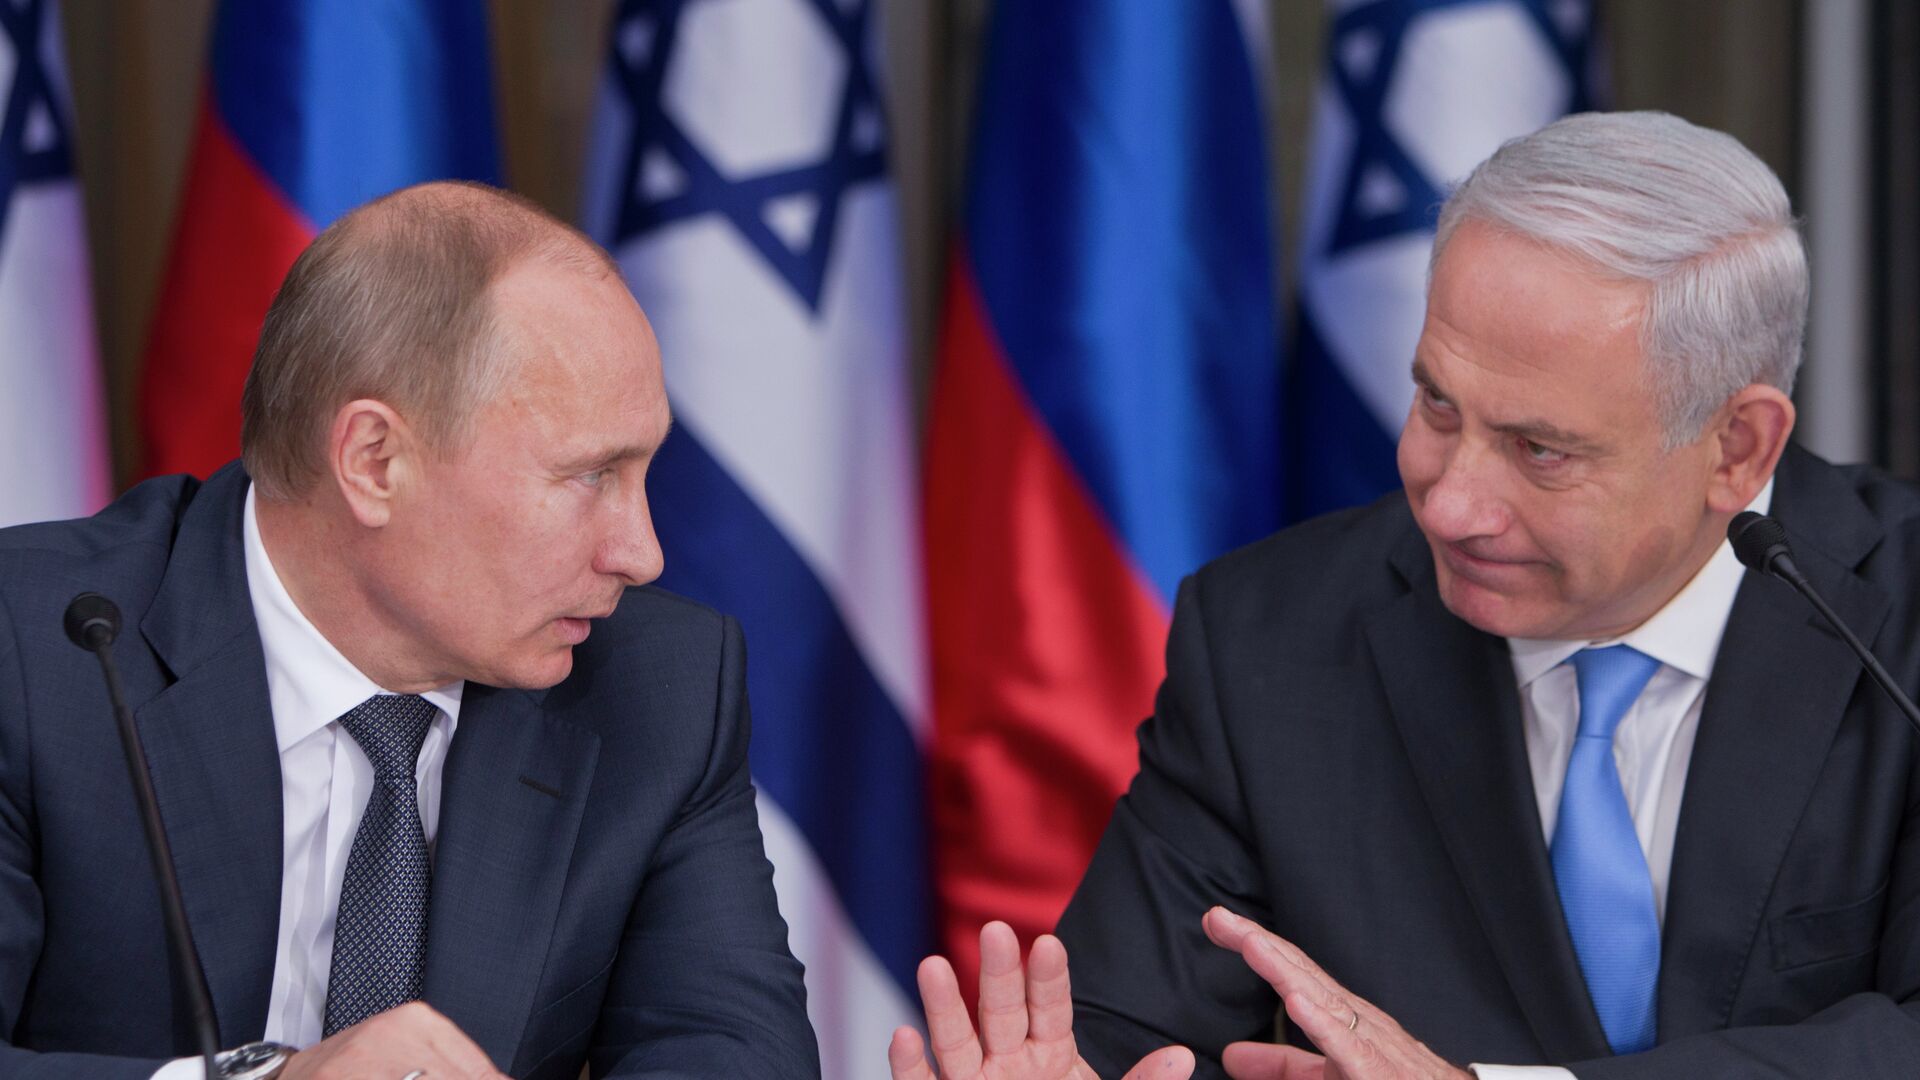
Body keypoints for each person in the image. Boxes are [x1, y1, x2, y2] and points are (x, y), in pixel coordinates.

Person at [889, 111, 1920, 1079]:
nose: (1451, 504)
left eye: (1540, 449)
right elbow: (1131, 1030)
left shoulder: (1901, 620)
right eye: (1437, 403)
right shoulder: (1269, 640)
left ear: (1737, 447)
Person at [0, 183, 820, 1078]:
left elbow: (729, 1052)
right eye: (592, 476)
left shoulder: (659, 686)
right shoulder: (38, 652)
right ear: (375, 461)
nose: (642, 554)